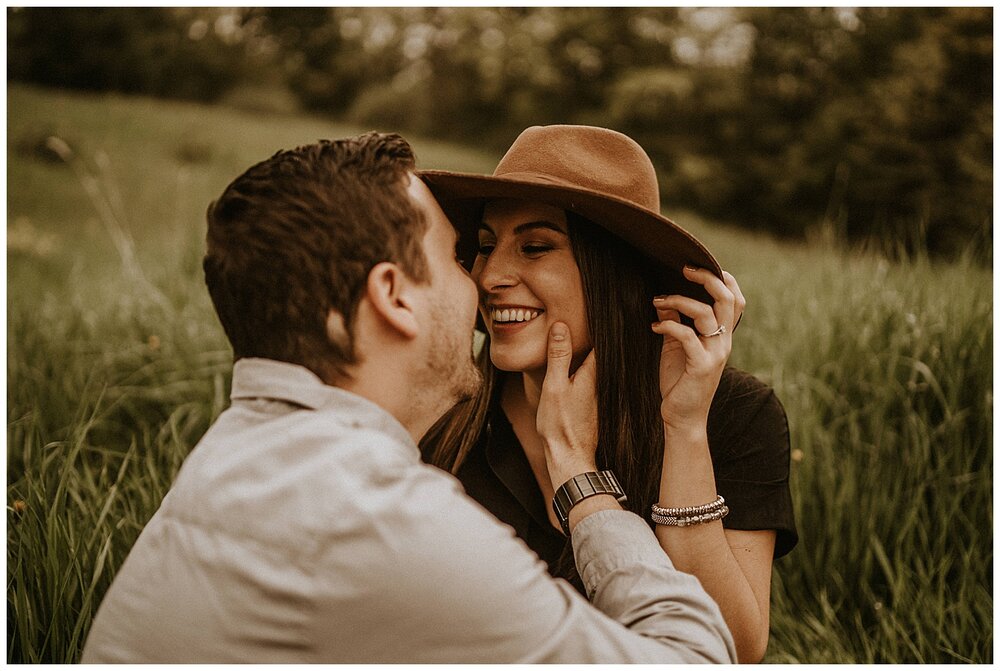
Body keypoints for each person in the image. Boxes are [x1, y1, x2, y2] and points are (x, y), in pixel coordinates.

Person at [80, 132, 736, 663]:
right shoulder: (382, 520)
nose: (481, 283)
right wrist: (584, 489)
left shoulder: (229, 458)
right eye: (458, 255)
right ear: (394, 295)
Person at [420, 124, 798, 663]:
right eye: (484, 246)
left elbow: (731, 648)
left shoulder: (734, 414)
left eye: (534, 247)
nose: (490, 275)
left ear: (613, 270)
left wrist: (685, 430)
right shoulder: (442, 414)